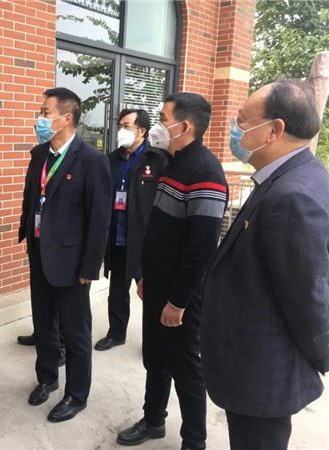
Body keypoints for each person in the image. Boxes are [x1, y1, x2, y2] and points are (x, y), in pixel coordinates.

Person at [200, 79, 329, 450]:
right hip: (253, 365)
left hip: (262, 372)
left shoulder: (292, 195)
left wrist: (321, 355)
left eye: (242, 120)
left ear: (274, 129)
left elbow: (307, 296)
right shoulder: (291, 175)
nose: (235, 128)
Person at [117, 93, 227, 449]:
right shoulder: (171, 163)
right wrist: (146, 276)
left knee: (185, 368)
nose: (158, 126)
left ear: (185, 126)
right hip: (158, 284)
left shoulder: (206, 172)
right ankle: (153, 420)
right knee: (155, 358)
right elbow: (159, 229)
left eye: (164, 119)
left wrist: (178, 302)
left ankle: (194, 441)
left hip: (182, 294)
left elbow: (201, 248)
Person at [19, 88, 111, 422]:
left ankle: (76, 394)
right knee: (44, 323)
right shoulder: (39, 154)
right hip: (40, 253)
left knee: (75, 332)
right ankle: (47, 378)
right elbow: (32, 197)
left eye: (45, 113)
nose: (39, 119)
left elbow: (99, 219)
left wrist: (89, 266)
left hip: (72, 263)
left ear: (66, 118)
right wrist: (28, 235)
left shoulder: (91, 160)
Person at [95, 109, 168, 352]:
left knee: (152, 293)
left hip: (146, 239)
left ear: (141, 131)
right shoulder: (111, 159)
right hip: (118, 235)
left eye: (127, 126)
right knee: (117, 291)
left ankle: (156, 341)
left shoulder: (157, 159)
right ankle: (116, 333)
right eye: (120, 126)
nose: (121, 131)